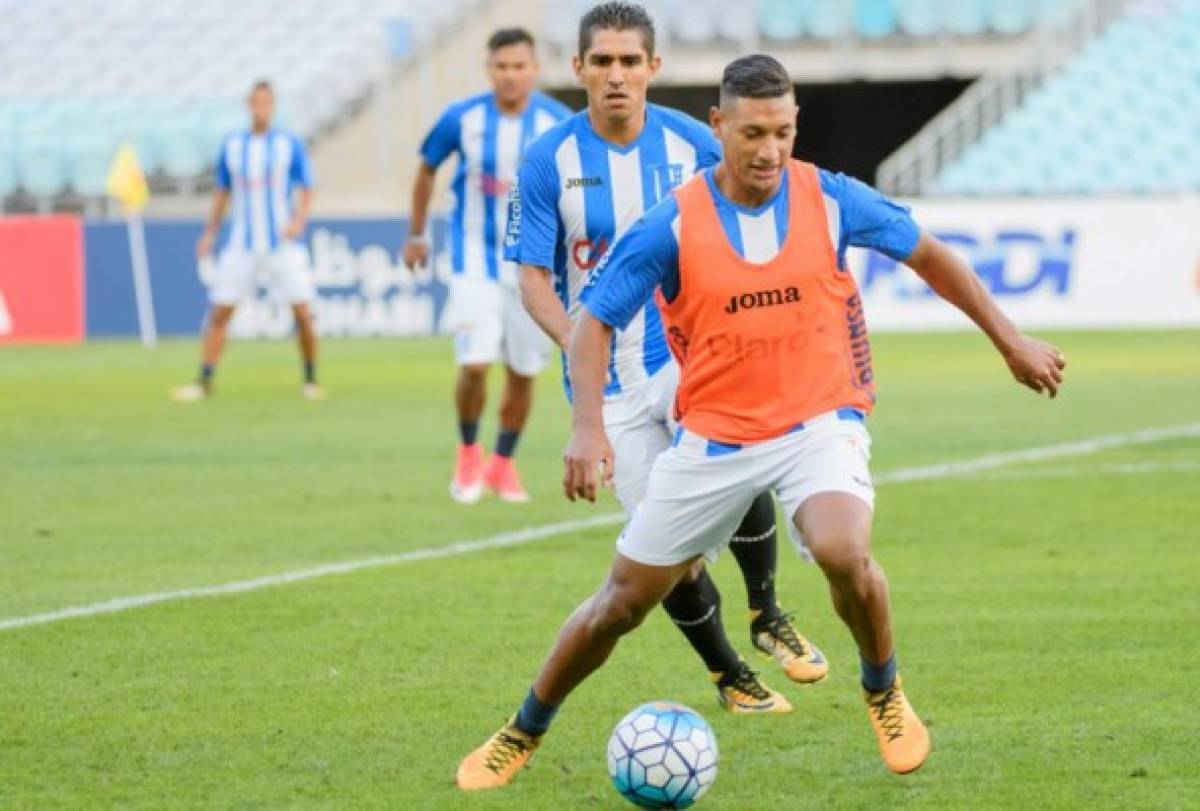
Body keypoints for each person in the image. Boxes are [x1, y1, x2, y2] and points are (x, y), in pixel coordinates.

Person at [458, 53, 1068, 789]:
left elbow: (932, 256)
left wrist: (1010, 340)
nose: (770, 150)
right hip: (715, 435)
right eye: (752, 133)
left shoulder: (832, 198)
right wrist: (588, 426)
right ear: (720, 127)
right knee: (620, 606)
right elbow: (592, 324)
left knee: (844, 549)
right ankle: (524, 727)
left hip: (818, 418)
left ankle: (883, 688)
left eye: (782, 131)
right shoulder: (671, 225)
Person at [403, 28, 571, 503]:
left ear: (534, 69)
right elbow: (425, 168)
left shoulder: (557, 123)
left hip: (533, 265)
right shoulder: (464, 118)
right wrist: (416, 234)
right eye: (502, 67)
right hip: (472, 258)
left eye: (520, 66)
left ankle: (502, 463)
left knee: (522, 371)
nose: (511, 76)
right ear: (489, 69)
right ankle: (469, 452)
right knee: (475, 363)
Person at [171, 80, 322, 402]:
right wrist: (210, 233)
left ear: (274, 105)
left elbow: (307, 186)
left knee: (302, 311)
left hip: (282, 241)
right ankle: (204, 379)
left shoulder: (287, 143)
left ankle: (311, 378)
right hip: (242, 242)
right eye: (256, 102)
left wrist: (298, 221)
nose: (261, 108)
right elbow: (223, 193)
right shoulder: (233, 146)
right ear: (248, 105)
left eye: (267, 102)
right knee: (221, 312)